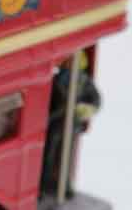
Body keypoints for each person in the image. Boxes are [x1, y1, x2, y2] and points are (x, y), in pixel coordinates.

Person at [40, 56, 101, 200]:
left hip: (71, 125)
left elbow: (95, 101)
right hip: (54, 124)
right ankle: (43, 185)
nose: (68, 64)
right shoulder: (57, 79)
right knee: (47, 155)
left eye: (71, 62)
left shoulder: (84, 81)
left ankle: (63, 186)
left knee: (65, 157)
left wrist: (83, 109)